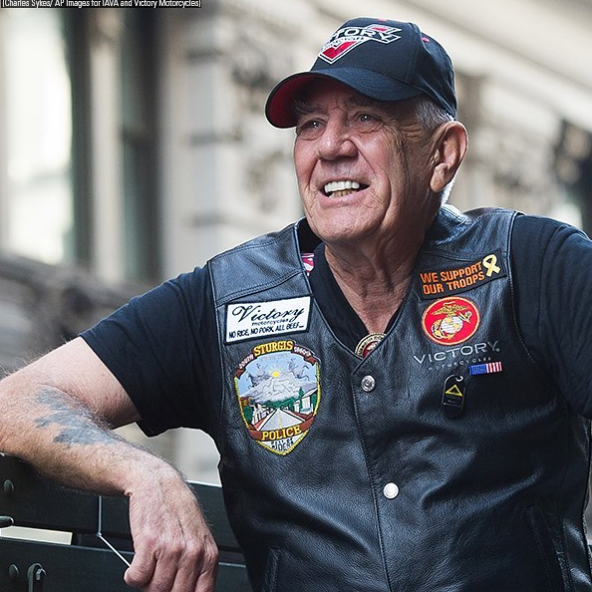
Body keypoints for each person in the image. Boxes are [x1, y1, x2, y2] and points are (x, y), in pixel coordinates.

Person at [1, 15, 592, 592]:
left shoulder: (535, 265)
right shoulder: (228, 298)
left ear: (443, 154)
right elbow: (18, 402)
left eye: (366, 117)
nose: (330, 147)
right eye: (310, 124)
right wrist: (142, 471)